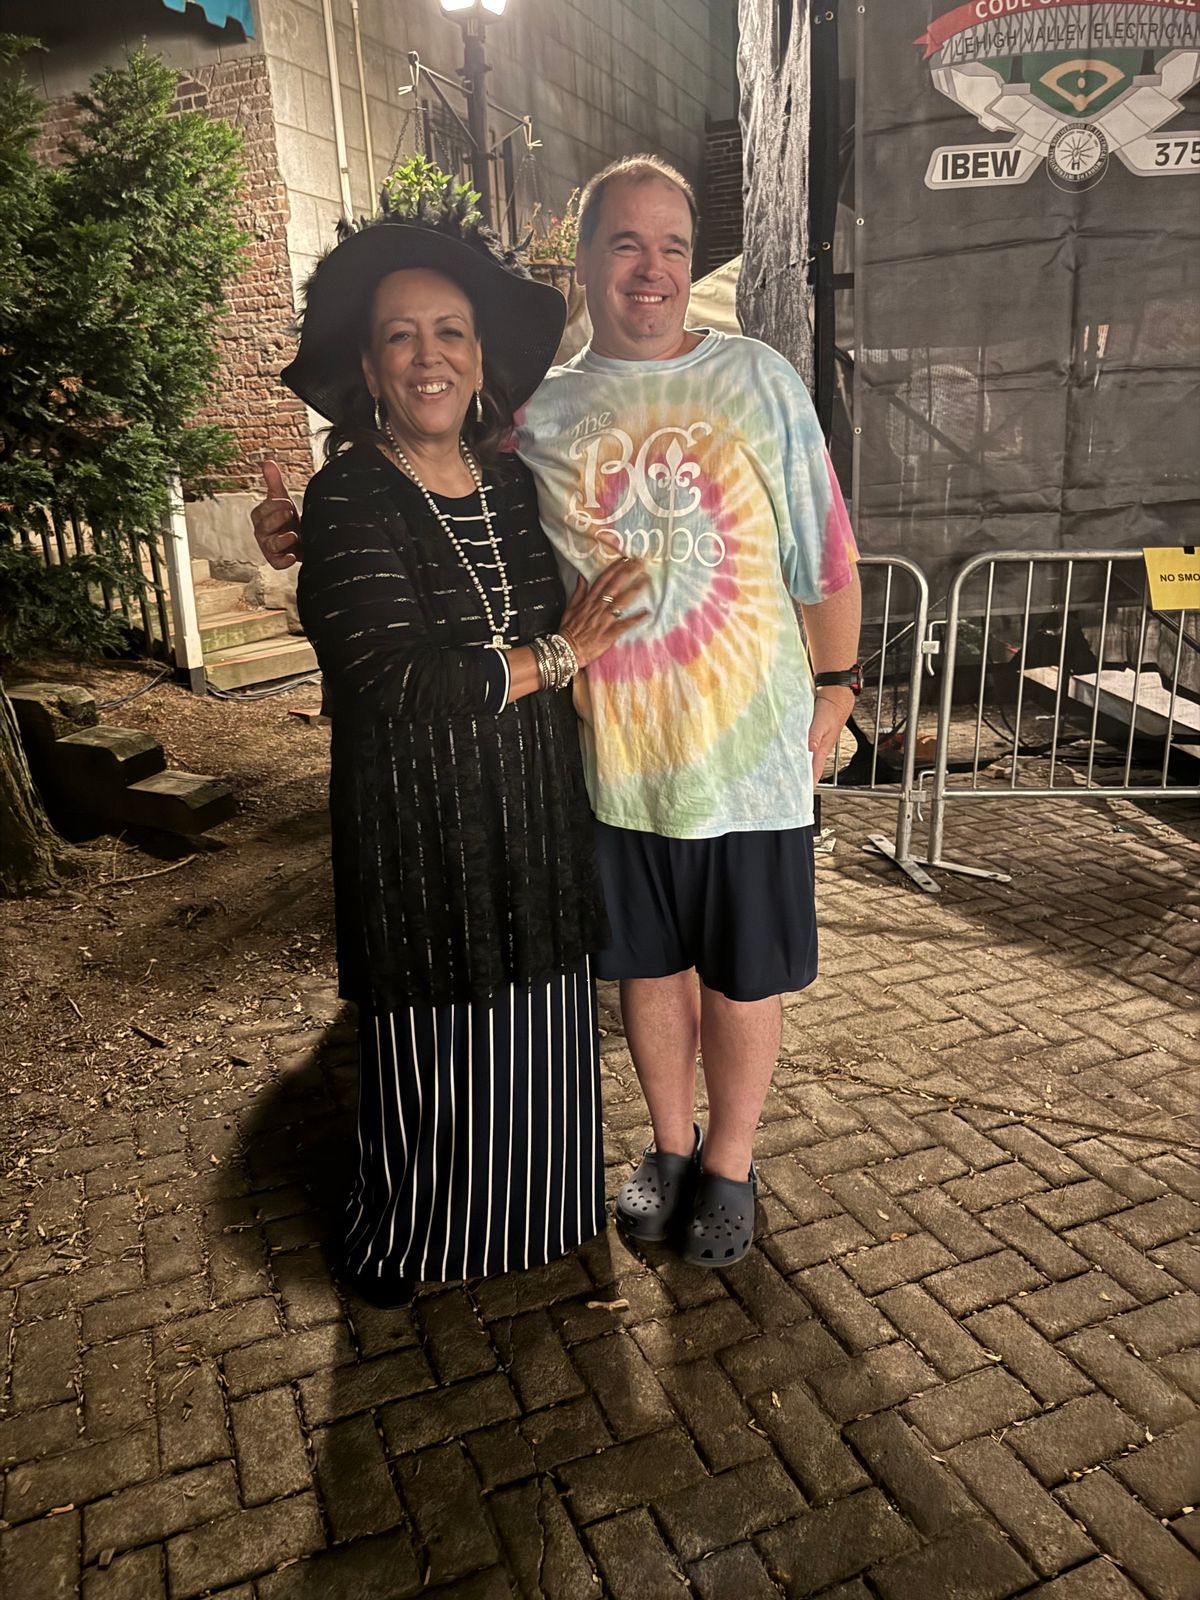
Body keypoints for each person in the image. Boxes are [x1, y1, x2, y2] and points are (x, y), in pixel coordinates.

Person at [254, 156, 861, 1271]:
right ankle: (670, 1148)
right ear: (583, 265)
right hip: (613, 763)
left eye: (672, 244)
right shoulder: (539, 414)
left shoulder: (759, 375)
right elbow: (422, 470)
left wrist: (838, 684)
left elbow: (824, 546)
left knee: (743, 978)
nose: (652, 267)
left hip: (748, 757)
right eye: (625, 243)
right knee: (647, 972)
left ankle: (731, 1165)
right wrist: (311, 532)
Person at [276, 205, 647, 1306]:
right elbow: (393, 679)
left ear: (481, 361)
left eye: (450, 331)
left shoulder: (511, 487)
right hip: (419, 821)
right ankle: (414, 1239)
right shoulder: (350, 496)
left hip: (530, 808)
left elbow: (597, 565)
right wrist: (559, 654)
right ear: (370, 368)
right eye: (400, 336)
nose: (427, 355)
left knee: (539, 1021)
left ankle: (544, 1211)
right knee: (434, 1037)